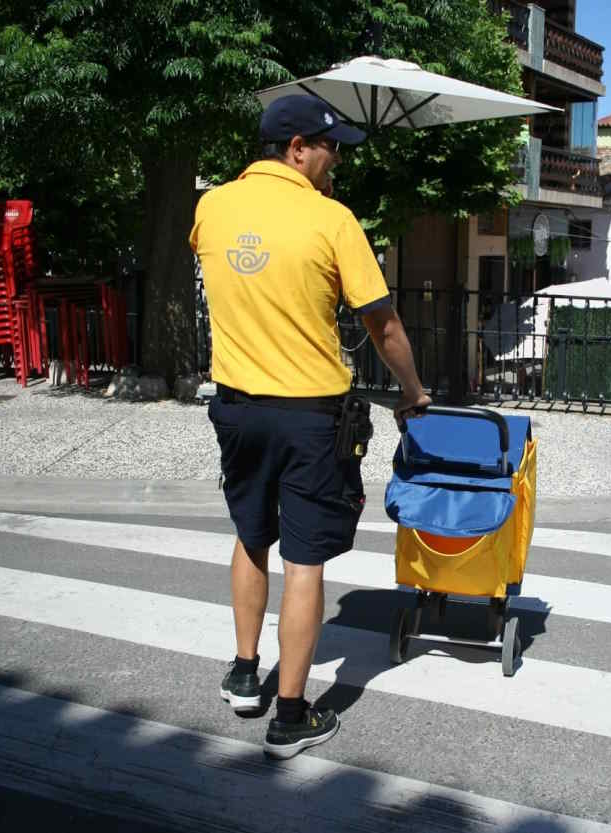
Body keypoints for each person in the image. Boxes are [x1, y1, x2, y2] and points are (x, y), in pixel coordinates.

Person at [189, 94, 431, 759]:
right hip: (308, 414)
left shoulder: (212, 207)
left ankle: (245, 673)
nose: (338, 160)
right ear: (297, 148)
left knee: (249, 532)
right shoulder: (331, 220)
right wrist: (413, 392)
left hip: (236, 407)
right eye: (332, 148)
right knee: (304, 559)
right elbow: (382, 325)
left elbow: (227, 265)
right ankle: (291, 714)